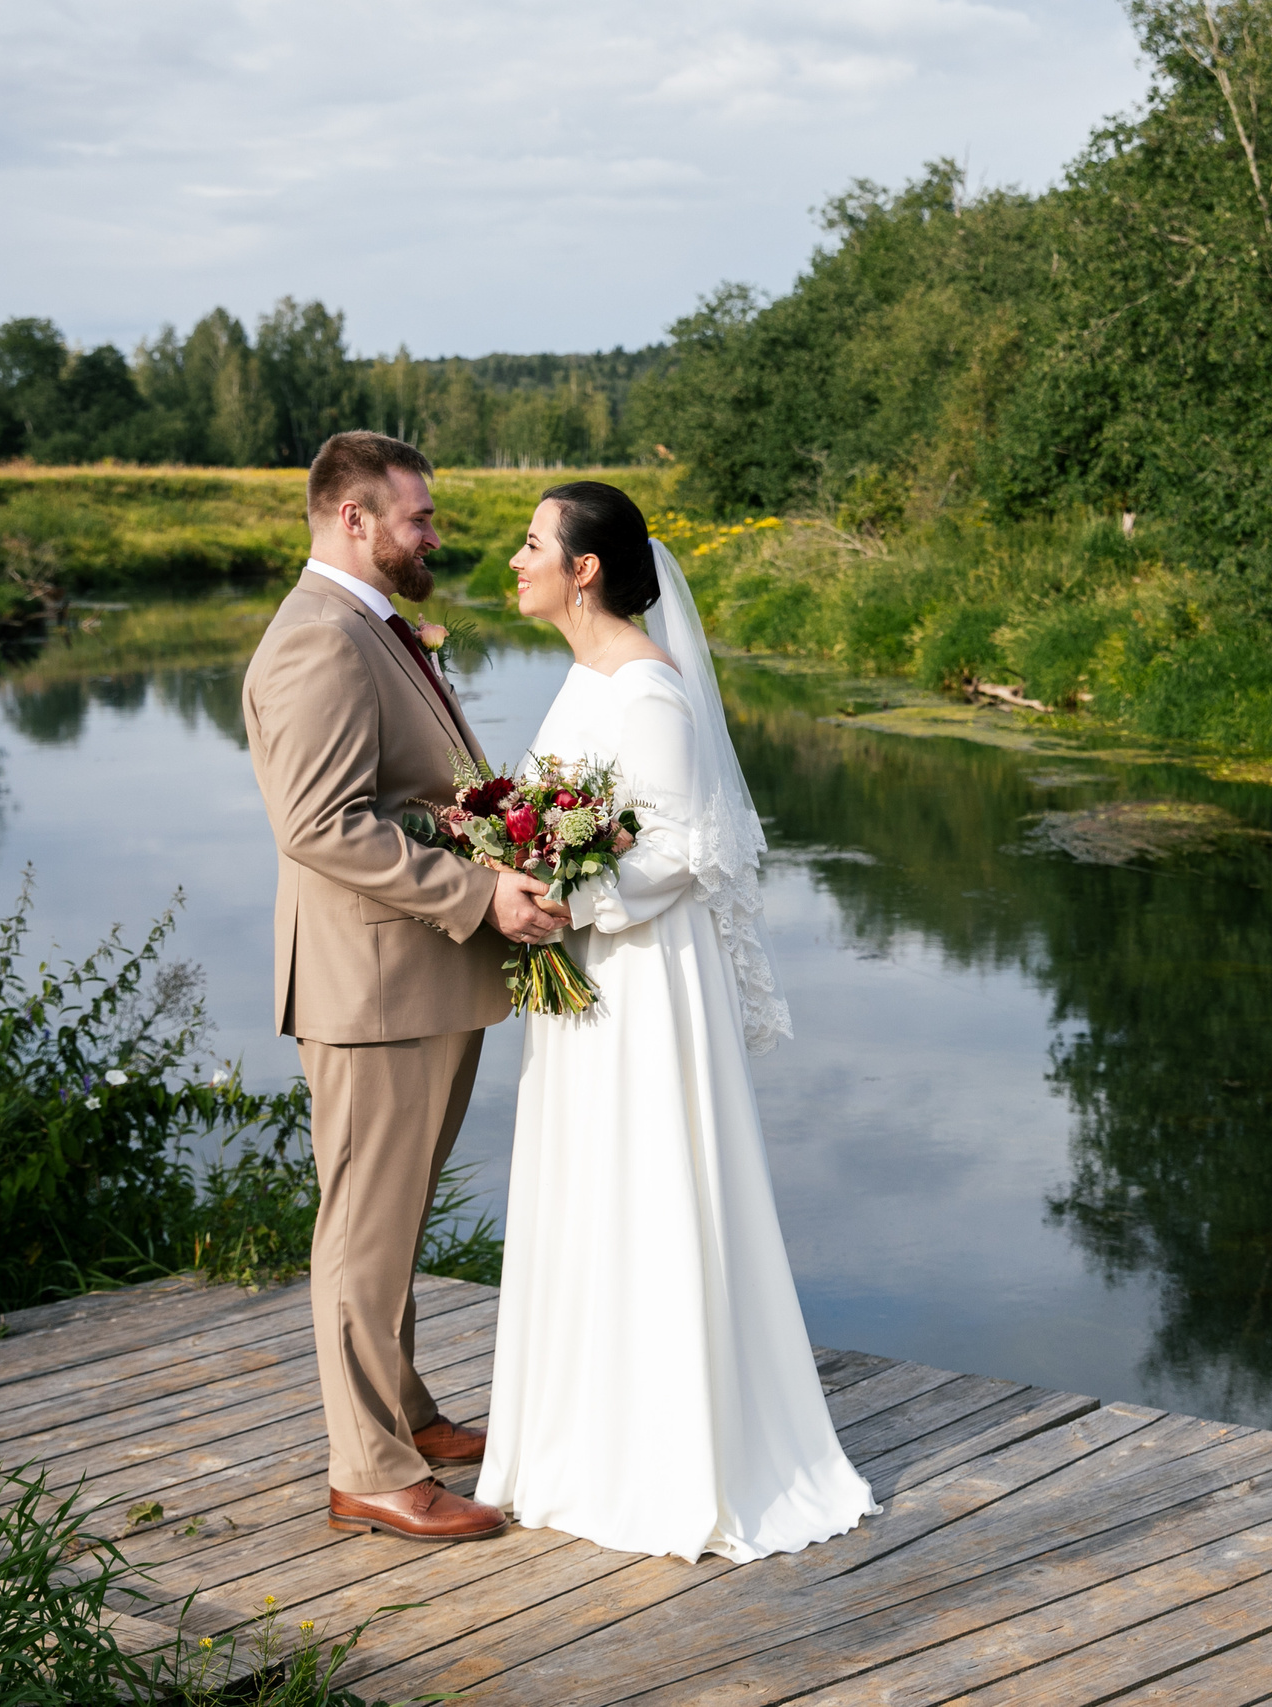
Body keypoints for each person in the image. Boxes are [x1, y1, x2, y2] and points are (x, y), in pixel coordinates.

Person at [474, 481, 877, 1561]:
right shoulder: (584, 677)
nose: (514, 561)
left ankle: (668, 1456)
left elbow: (681, 848)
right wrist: (521, 858)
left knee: (646, 1183)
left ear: (584, 568)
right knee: (585, 1188)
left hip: (641, 980)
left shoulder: (647, 689)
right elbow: (575, 815)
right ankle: (578, 1443)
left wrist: (568, 894)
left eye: (529, 545)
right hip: (591, 971)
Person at [241, 431, 570, 1545]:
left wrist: (496, 832)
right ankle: (369, 1470)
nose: (435, 534)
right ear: (352, 518)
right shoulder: (320, 641)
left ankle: (408, 1414)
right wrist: (480, 900)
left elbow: (399, 796)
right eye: (418, 518)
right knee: (363, 1231)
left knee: (395, 1219)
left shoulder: (368, 626)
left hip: (415, 980)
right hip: (373, 987)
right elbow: (320, 827)